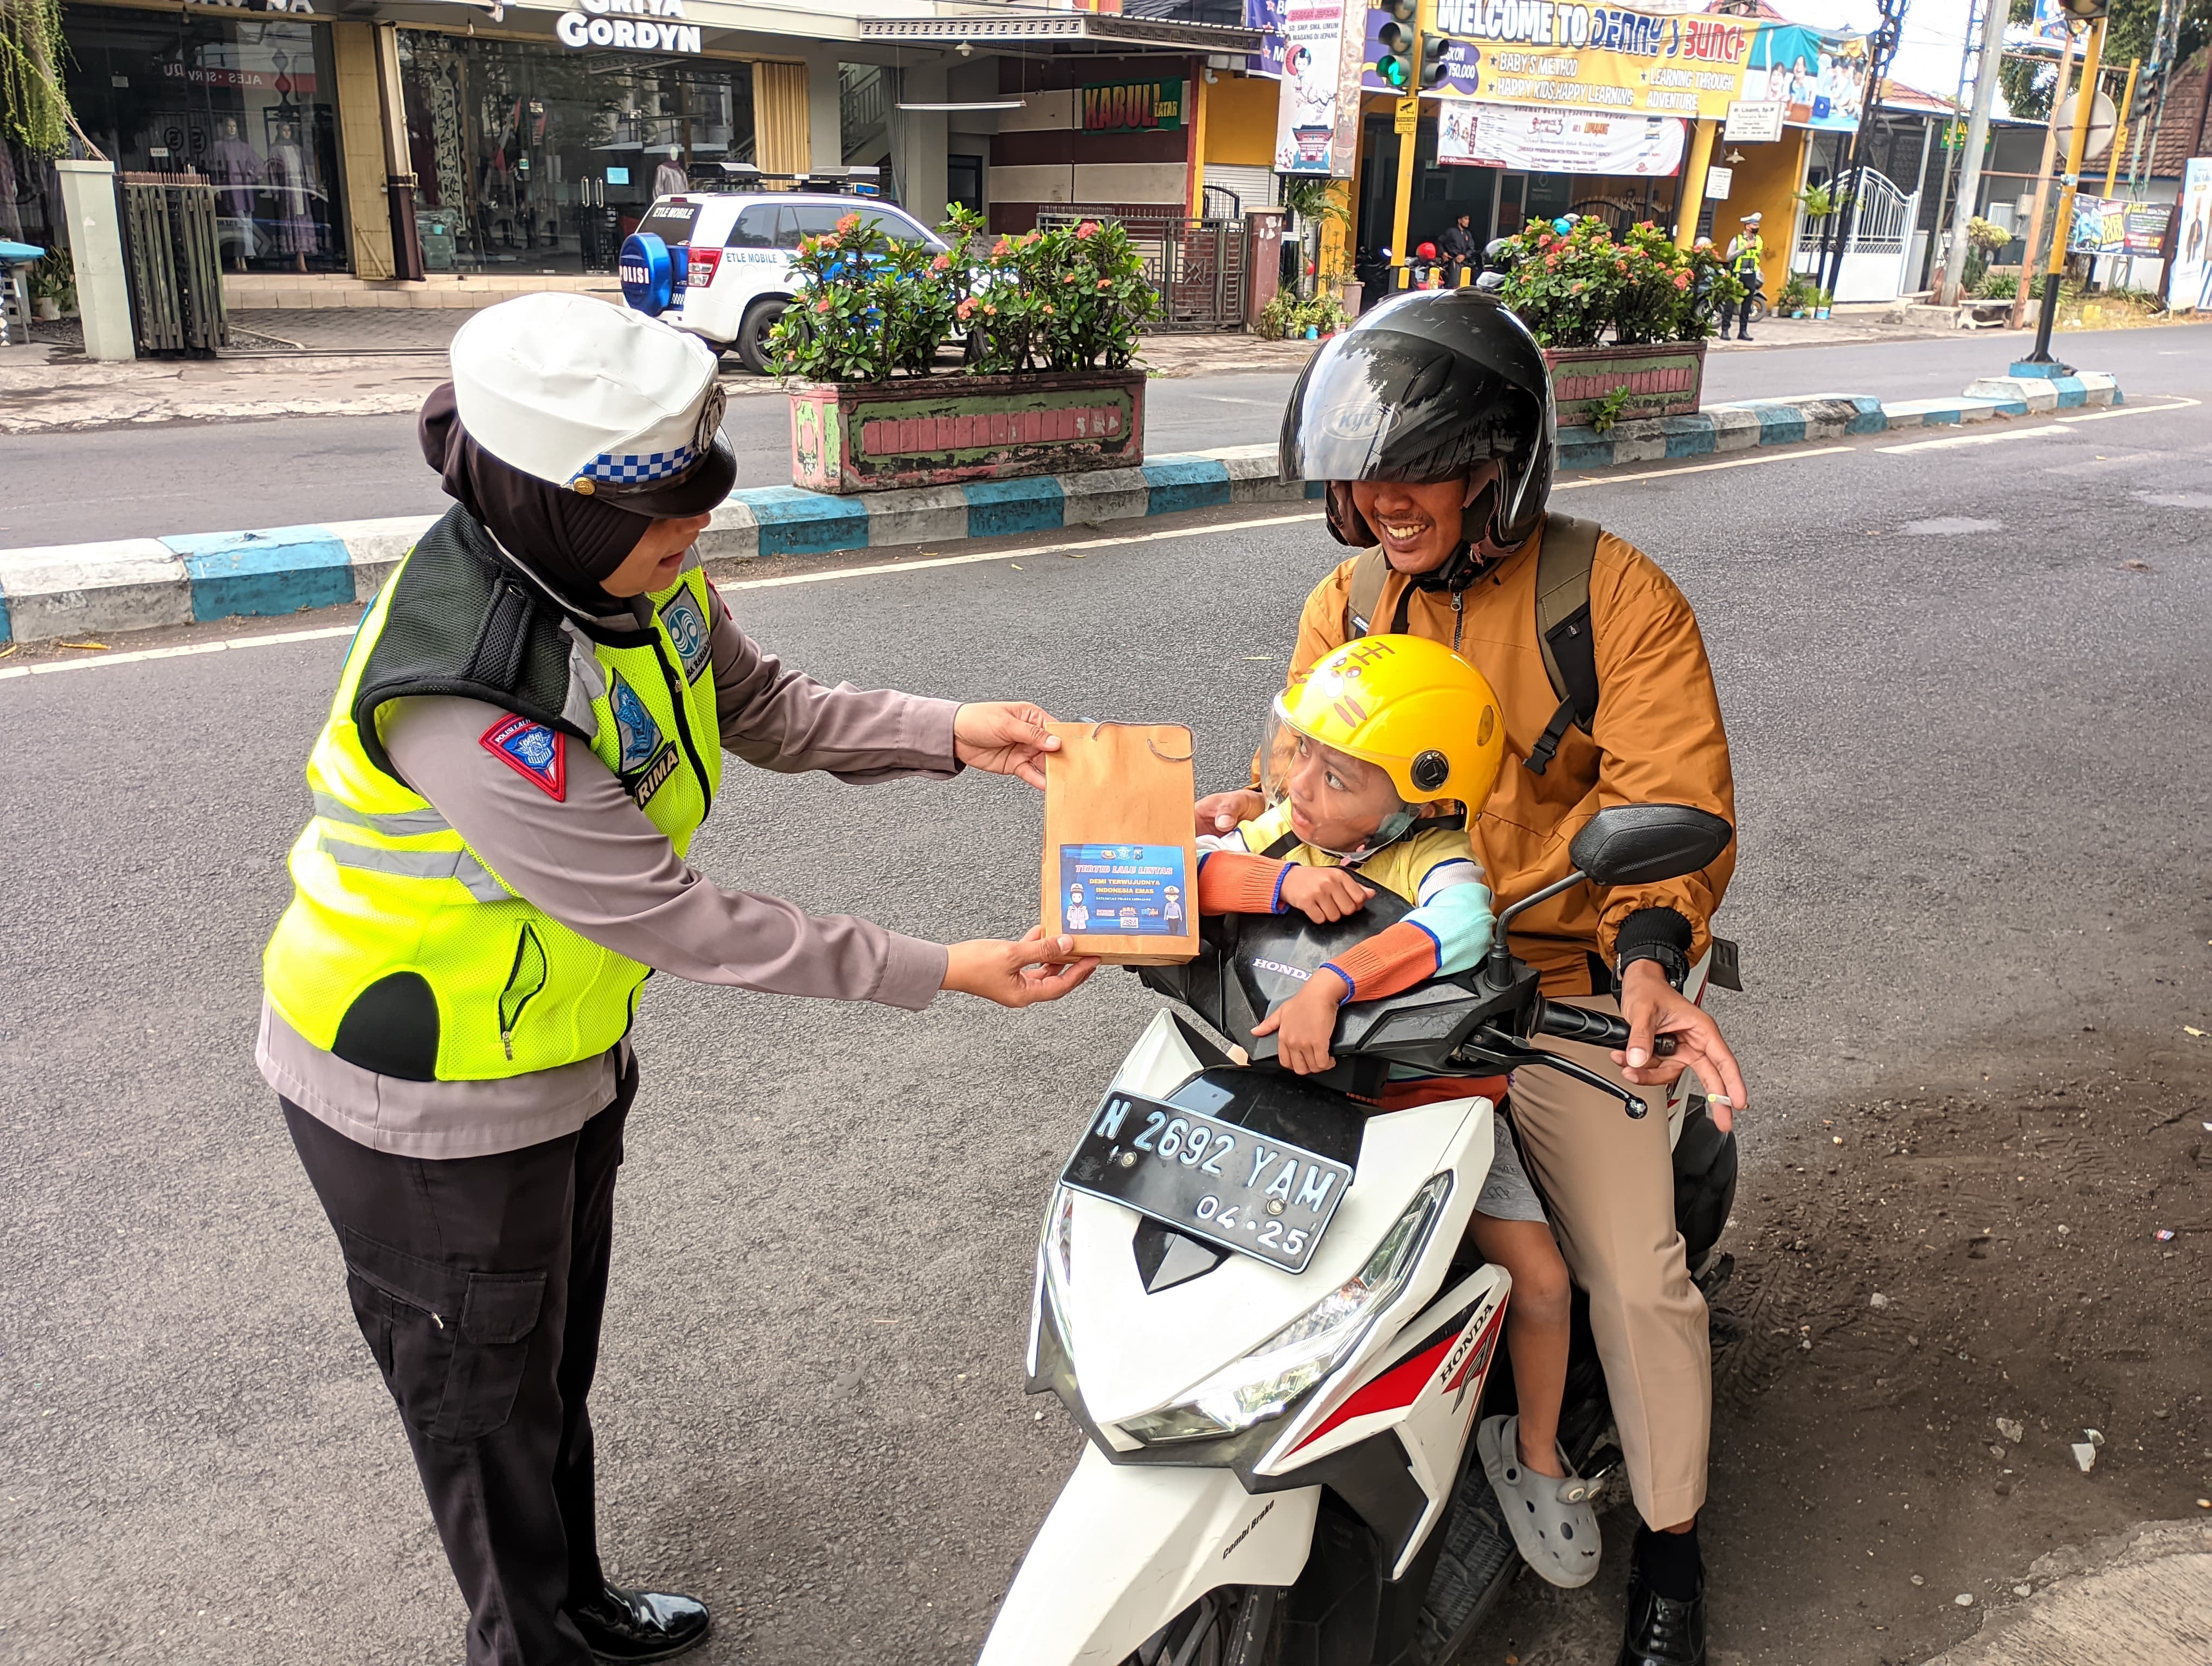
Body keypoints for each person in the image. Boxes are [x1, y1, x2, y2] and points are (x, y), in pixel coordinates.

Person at [260, 292, 1097, 1666]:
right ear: (571, 514)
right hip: (424, 1106)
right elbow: (673, 914)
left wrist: (955, 730)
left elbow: (763, 703)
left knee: (544, 1373)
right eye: (672, 530)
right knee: (482, 1415)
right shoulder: (474, 694)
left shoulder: (618, 574)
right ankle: (532, 1644)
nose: (693, 550)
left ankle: (578, 1603)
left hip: (556, 1057)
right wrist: (945, 968)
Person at [1199, 289, 1748, 1666]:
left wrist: (1644, 960)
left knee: (1630, 1275)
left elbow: (1671, 797)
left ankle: (1670, 1555)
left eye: (1417, 467)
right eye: (1362, 473)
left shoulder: (1607, 593)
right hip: (1373, 976)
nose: (1382, 497)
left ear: (1498, 463)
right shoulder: (1343, 599)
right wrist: (1241, 818)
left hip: (1553, 980)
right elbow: (1300, 772)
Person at [1199, 633, 1602, 1590]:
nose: (1299, 782)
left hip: (1430, 1107)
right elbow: (1194, 868)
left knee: (1541, 1280)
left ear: (1419, 794)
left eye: (1337, 774)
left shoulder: (1437, 854)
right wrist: (1283, 878)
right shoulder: (1291, 833)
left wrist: (1335, 985)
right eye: (1300, 751)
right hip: (1295, 1096)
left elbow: (1461, 922)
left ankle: (1535, 1451)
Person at [1723, 213, 1765, 341]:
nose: (1756, 226)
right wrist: (1744, 249)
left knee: (1747, 305)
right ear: (1747, 226)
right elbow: (1729, 256)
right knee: (1730, 303)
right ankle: (1725, 330)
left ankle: (1743, 331)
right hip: (1737, 274)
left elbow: (1759, 257)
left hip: (1750, 275)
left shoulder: (1759, 240)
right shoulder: (1737, 239)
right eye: (1754, 224)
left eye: (1757, 225)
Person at [1439, 210, 1480, 288]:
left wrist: (1464, 256)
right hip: (1453, 261)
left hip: (1465, 262)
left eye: (1468, 219)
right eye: (1466, 219)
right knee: (1455, 286)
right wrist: (1443, 253)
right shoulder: (1451, 231)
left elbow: (1472, 249)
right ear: (1460, 221)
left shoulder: (1468, 234)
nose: (1468, 221)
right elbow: (1440, 242)